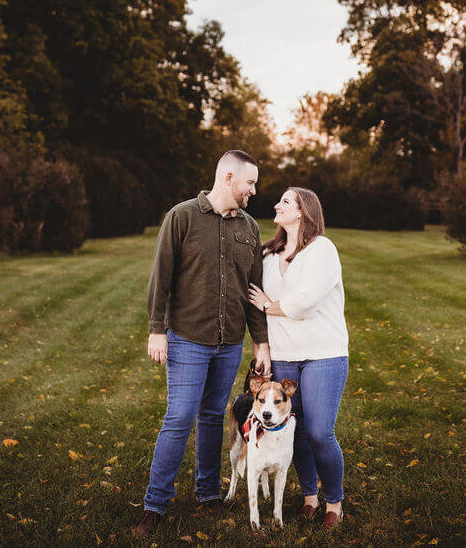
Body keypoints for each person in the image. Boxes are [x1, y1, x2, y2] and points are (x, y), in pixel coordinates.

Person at [135, 150, 272, 537]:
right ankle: (155, 505)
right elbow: (160, 276)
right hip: (188, 338)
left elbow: (253, 290)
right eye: (250, 183)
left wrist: (260, 343)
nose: (254, 191)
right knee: (179, 417)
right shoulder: (182, 216)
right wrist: (157, 329)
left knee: (213, 415)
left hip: (229, 342)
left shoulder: (249, 227)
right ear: (228, 178)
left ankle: (207, 493)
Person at [247, 187, 348, 529]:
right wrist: (262, 346)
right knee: (298, 429)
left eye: (285, 201)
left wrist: (269, 305)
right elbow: (251, 299)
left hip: (324, 353)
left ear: (303, 211)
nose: (277, 205)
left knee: (320, 431)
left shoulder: (322, 249)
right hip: (285, 354)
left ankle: (335, 500)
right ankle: (310, 496)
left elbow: (304, 303)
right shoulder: (267, 254)